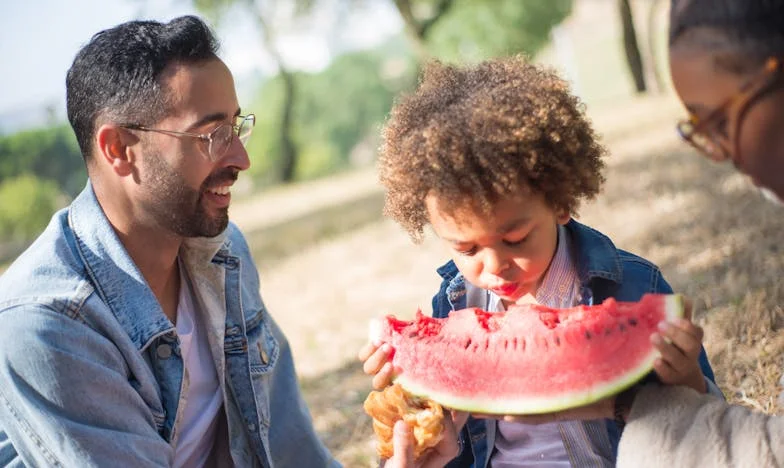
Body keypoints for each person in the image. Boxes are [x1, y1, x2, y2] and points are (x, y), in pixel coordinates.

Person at [0, 16, 339, 467]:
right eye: (212, 135)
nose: (241, 158)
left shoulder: (223, 253)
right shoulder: (47, 323)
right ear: (119, 149)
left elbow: (286, 444)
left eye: (236, 127)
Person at [359, 56, 722, 467]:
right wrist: (413, 413)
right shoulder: (453, 306)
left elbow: (711, 429)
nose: (494, 266)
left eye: (514, 239)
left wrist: (688, 379)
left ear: (560, 203)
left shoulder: (635, 287)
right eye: (467, 250)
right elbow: (453, 449)